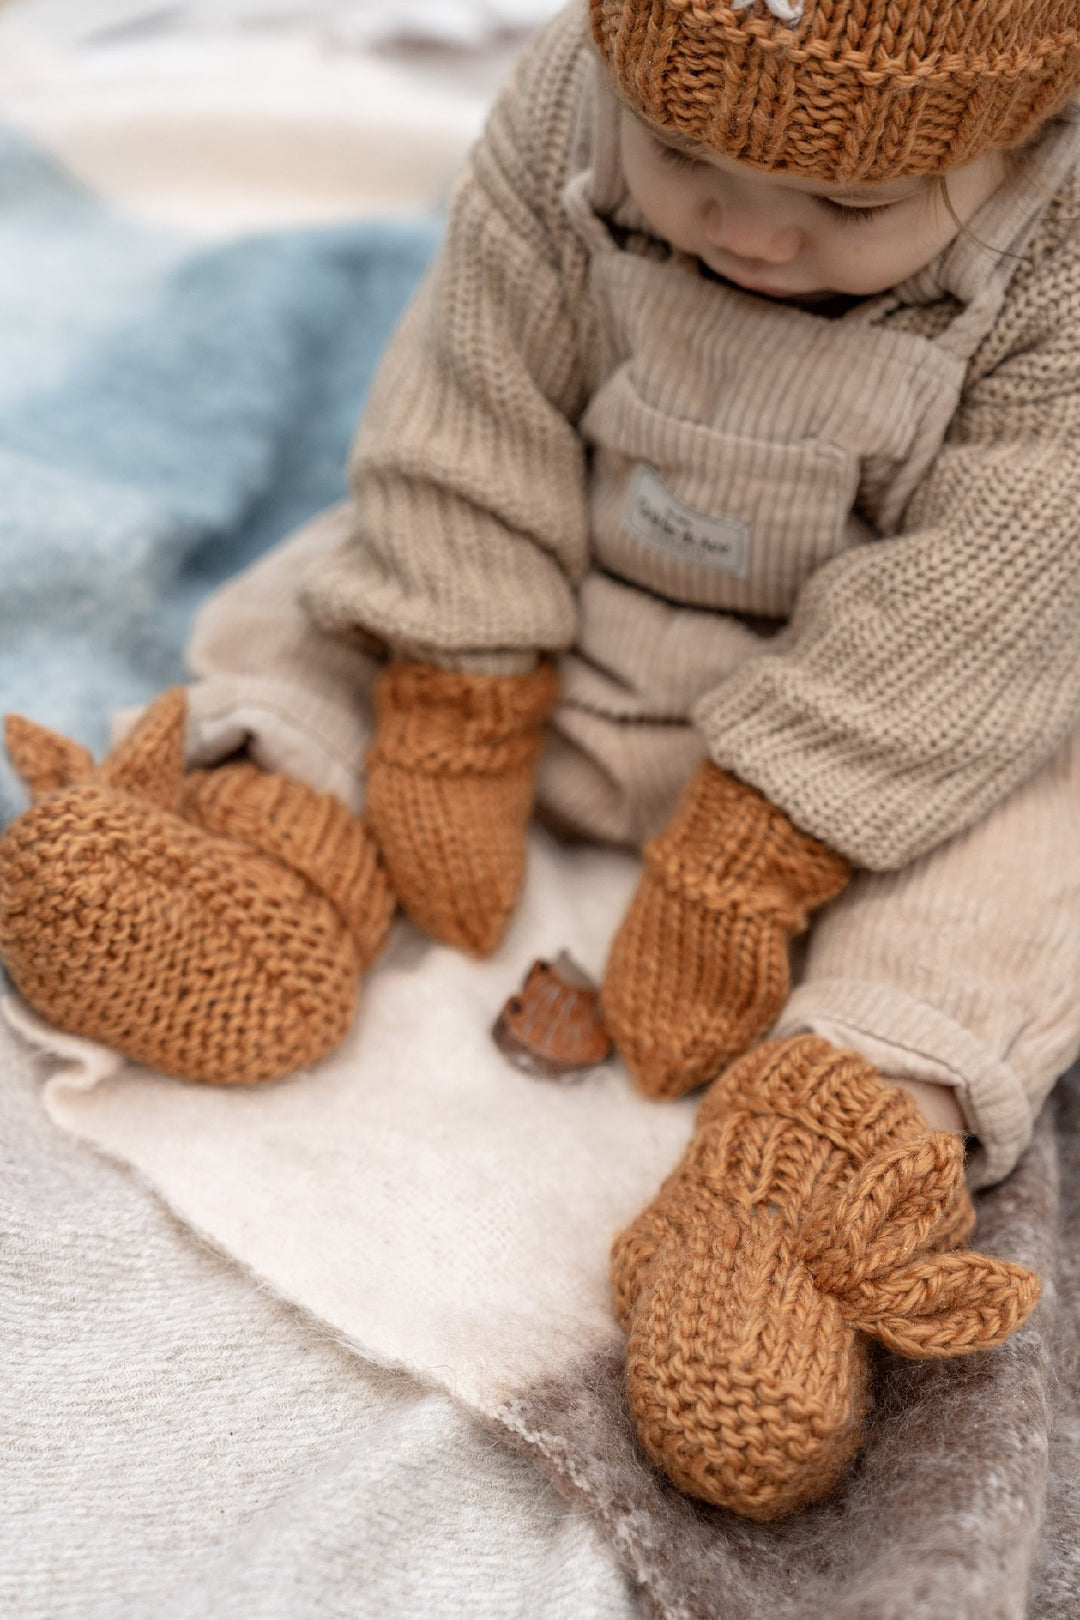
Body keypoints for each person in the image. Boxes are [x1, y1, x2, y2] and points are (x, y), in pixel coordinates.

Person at [7, 0, 1080, 1518]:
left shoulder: (1064, 253)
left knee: (1040, 840)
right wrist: (456, 689)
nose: (751, 235)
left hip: (886, 710)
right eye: (684, 154)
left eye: (848, 206)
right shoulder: (573, 91)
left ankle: (814, 1171)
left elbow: (992, 589)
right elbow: (473, 398)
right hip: (560, 588)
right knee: (343, 574)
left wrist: (759, 846)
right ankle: (266, 827)